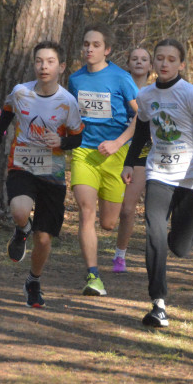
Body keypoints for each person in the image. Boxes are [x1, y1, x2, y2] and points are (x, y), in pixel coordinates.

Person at [122, 38, 193, 328]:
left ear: (182, 64)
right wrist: (130, 161)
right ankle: (158, 304)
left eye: (171, 59)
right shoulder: (146, 94)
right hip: (159, 174)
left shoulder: (192, 95)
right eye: (160, 58)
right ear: (153, 63)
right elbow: (142, 130)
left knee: (179, 248)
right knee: (154, 233)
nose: (164, 64)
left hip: (191, 179)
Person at [0, 41, 83, 308]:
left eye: (50, 62)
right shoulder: (20, 92)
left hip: (53, 172)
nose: (43, 66)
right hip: (22, 165)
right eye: (39, 61)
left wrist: (60, 143)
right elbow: (6, 115)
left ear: (61, 67)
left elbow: (77, 138)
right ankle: (21, 229)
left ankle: (33, 280)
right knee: (18, 210)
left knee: (43, 238)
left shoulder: (68, 102)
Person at [67, 25, 139, 296]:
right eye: (86, 44)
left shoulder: (121, 78)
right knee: (86, 211)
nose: (89, 49)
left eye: (96, 45)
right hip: (84, 152)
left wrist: (118, 143)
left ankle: (115, 252)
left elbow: (141, 116)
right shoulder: (75, 80)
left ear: (107, 49)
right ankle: (93, 275)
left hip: (116, 154)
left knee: (108, 222)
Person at [113, 47, 152, 273]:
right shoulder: (118, 87)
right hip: (117, 149)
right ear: (128, 63)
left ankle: (120, 255)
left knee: (129, 209)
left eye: (144, 59)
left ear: (150, 66)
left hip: (143, 152)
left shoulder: (156, 91)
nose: (139, 62)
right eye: (134, 58)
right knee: (118, 210)